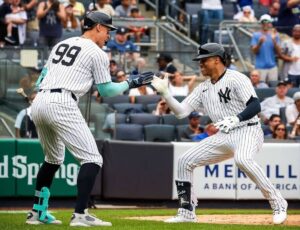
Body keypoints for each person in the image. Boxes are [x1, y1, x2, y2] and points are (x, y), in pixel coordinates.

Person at [27, 11, 153, 226]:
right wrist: (131, 83)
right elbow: (106, 90)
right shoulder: (96, 53)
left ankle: (37, 213)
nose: (108, 35)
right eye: (107, 30)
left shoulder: (61, 44)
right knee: (93, 159)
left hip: (40, 100)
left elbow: (41, 78)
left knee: (52, 160)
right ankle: (80, 214)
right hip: (63, 101)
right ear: (97, 27)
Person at [151, 42, 288, 224]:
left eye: (203, 60)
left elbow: (255, 105)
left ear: (216, 60)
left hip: (248, 130)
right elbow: (182, 112)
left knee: (242, 159)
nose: (200, 64)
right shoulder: (203, 88)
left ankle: (278, 202)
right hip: (223, 135)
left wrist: (237, 118)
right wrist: (166, 94)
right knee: (185, 161)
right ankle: (186, 212)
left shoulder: (236, 78)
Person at [251, 14, 281, 84]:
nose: (265, 24)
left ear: (270, 23)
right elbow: (254, 52)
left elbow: (279, 52)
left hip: (272, 67)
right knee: (260, 88)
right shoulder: (256, 35)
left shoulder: (275, 35)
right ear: (261, 24)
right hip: (260, 67)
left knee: (274, 87)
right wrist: (260, 43)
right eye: (263, 23)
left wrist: (274, 41)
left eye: (267, 22)